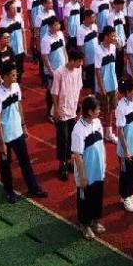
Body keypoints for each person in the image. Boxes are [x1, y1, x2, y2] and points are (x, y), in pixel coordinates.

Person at [0, 62, 48, 203]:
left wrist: (23, 126)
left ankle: (33, 188)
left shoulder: (16, 87)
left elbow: (19, 106)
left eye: (15, 74)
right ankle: (9, 191)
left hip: (17, 132)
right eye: (13, 75)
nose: (16, 76)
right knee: (5, 166)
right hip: (5, 136)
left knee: (25, 161)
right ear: (5, 76)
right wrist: (2, 142)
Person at [72, 95, 107, 239]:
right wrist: (82, 177)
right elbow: (77, 156)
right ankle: (84, 225)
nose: (99, 111)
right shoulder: (78, 130)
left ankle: (95, 221)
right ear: (90, 111)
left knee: (97, 197)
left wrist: (103, 164)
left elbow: (100, 145)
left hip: (98, 171)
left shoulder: (97, 123)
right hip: (86, 173)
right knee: (85, 200)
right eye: (97, 109)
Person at [51, 47, 85, 180]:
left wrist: (78, 106)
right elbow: (54, 93)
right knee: (63, 139)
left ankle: (69, 161)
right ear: (72, 60)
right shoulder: (59, 73)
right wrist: (56, 109)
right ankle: (62, 164)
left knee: (71, 137)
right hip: (62, 111)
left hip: (73, 109)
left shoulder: (78, 70)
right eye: (79, 61)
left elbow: (78, 87)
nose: (81, 64)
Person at [115, 76, 133, 213]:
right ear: (127, 92)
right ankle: (124, 197)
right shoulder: (121, 107)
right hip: (126, 148)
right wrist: (125, 151)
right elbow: (120, 131)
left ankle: (131, 194)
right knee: (125, 173)